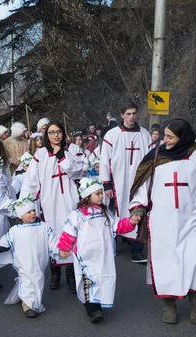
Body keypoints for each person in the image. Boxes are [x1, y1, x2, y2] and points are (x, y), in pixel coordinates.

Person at [129, 118, 196, 324]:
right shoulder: (156, 155)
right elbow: (143, 185)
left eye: (170, 137)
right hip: (162, 221)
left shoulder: (194, 155)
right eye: (165, 135)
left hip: (190, 220)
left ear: (182, 138)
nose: (164, 140)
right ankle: (169, 305)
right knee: (165, 262)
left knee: (193, 261)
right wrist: (138, 208)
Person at [58, 178, 140, 323]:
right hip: (86, 256)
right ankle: (93, 309)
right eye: (97, 193)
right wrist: (64, 248)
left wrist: (130, 222)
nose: (101, 196)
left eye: (101, 193)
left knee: (102, 279)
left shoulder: (105, 212)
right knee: (89, 280)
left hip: (103, 256)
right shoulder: (77, 215)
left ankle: (99, 303)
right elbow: (69, 232)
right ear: (87, 196)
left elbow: (117, 226)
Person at [20, 121, 84, 292]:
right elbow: (31, 181)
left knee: (72, 234)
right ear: (46, 135)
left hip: (70, 200)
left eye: (58, 132)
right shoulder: (40, 154)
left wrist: (62, 155)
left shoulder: (72, 150)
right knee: (53, 235)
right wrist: (25, 204)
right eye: (51, 132)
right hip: (50, 202)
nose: (55, 135)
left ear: (63, 133)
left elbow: (77, 171)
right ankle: (55, 273)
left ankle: (72, 275)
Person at [99, 101, 152, 263]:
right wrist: (106, 184)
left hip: (138, 181)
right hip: (118, 180)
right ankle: (113, 245)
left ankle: (137, 250)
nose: (131, 117)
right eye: (128, 113)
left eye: (134, 113)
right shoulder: (112, 135)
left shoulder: (144, 134)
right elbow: (104, 161)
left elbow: (150, 159)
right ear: (122, 115)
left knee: (138, 211)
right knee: (115, 212)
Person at [0, 197, 58, 318]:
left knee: (38, 281)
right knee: (27, 280)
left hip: (40, 262)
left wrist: (61, 250)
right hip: (24, 262)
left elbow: (53, 240)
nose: (33, 213)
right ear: (21, 216)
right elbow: (3, 243)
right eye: (28, 212)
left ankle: (34, 301)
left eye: (33, 210)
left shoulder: (43, 227)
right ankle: (29, 305)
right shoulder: (15, 231)